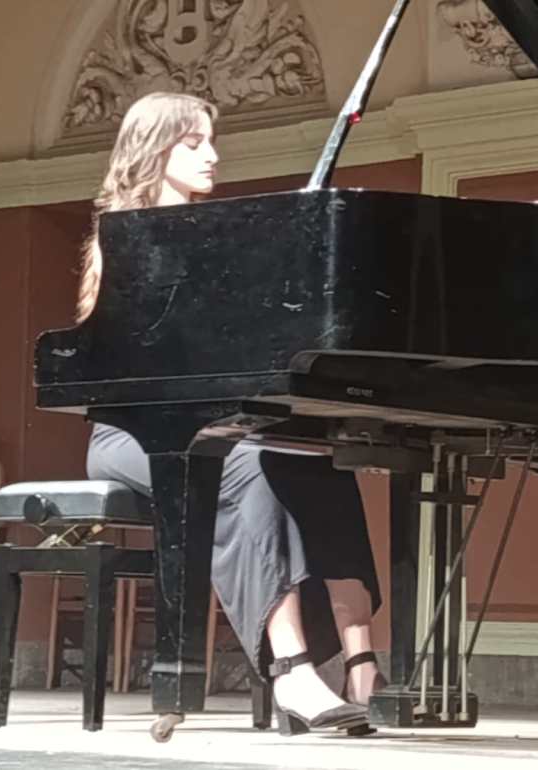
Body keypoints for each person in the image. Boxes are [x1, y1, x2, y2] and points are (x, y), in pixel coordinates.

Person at [77, 92, 386, 735]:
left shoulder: (218, 238)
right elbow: (127, 357)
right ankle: (292, 668)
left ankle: (362, 664)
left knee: (318, 458)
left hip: (209, 421)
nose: (212, 156)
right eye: (194, 144)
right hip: (133, 430)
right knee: (247, 465)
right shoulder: (124, 237)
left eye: (212, 142)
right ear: (153, 150)